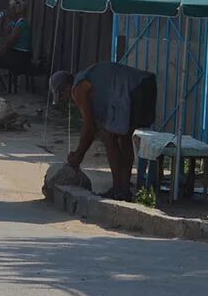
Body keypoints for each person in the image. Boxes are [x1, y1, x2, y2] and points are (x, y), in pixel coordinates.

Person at [54, 63, 156, 201]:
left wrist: (78, 155)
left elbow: (90, 127)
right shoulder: (86, 76)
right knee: (124, 137)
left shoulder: (78, 88)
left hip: (132, 89)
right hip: (145, 84)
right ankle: (123, 190)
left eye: (61, 96)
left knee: (109, 137)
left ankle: (118, 189)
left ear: (66, 87)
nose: (64, 100)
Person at [0, 0, 35, 92]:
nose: (8, 11)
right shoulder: (15, 23)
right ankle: (1, 86)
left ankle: (1, 87)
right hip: (16, 53)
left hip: (21, 55)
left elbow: (10, 42)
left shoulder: (21, 24)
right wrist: (2, 19)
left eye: (11, 10)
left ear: (17, 12)